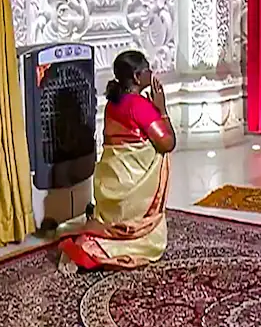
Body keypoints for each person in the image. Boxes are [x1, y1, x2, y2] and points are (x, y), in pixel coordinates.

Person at [58, 50, 176, 272]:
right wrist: (162, 110)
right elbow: (168, 143)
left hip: (111, 185)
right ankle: (102, 247)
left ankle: (91, 242)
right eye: (147, 69)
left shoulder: (113, 104)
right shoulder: (140, 106)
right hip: (132, 192)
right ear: (137, 77)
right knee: (161, 155)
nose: (151, 73)